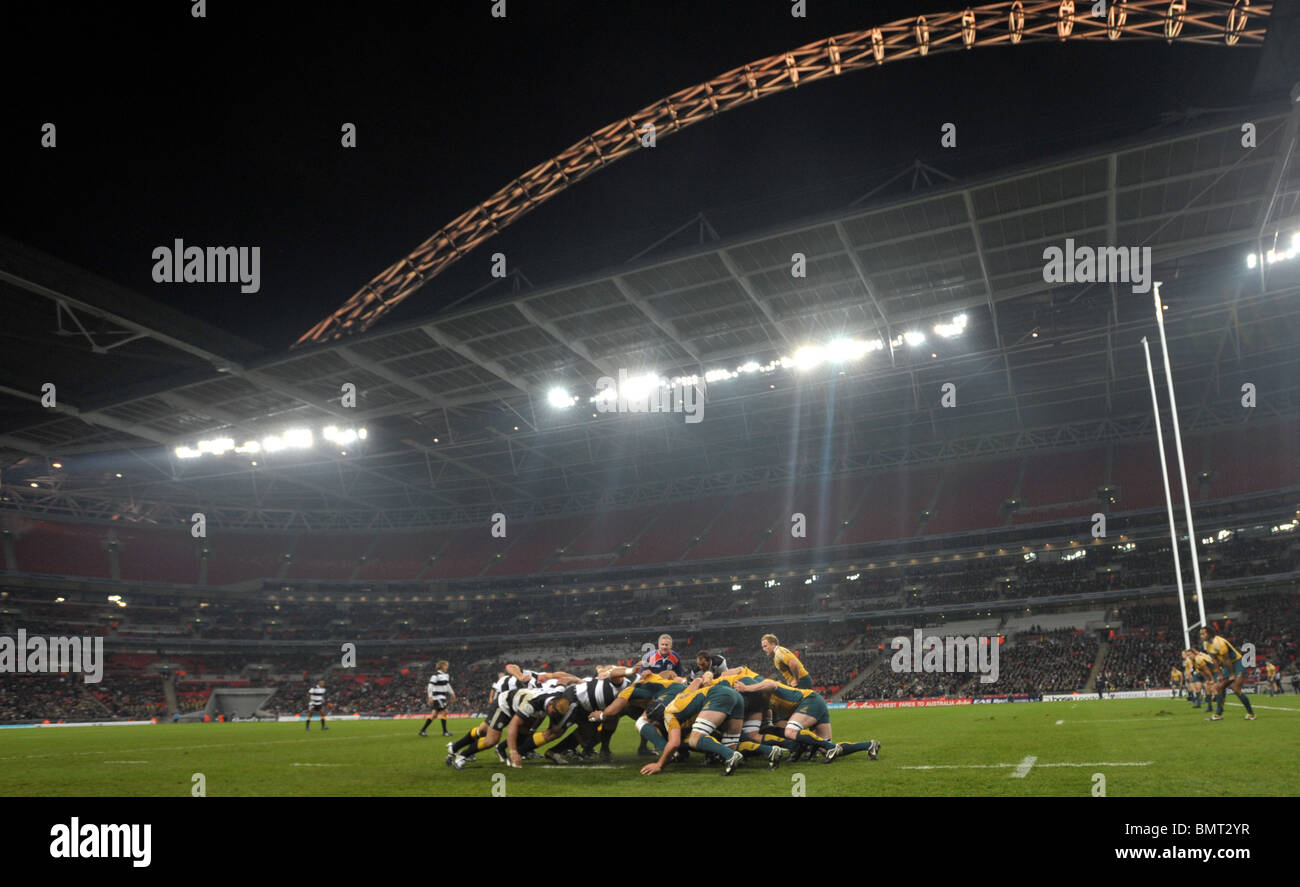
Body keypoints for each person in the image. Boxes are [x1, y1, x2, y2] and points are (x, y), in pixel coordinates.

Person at [632, 634, 682, 755]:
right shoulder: (649, 656)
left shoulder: (676, 657)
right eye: (662, 645)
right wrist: (646, 672)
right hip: (652, 689)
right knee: (653, 716)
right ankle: (650, 745)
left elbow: (679, 674)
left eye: (667, 645)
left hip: (667, 690)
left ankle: (661, 744)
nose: (664, 647)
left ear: (671, 646)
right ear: (658, 645)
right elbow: (642, 675)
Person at [1200, 627, 1255, 721]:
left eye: (1204, 633)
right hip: (1227, 665)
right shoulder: (1206, 644)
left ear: (1209, 633)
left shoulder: (1219, 643)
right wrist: (1220, 674)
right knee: (1219, 687)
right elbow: (1214, 660)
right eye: (1201, 634)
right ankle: (1218, 714)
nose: (1202, 636)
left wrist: (1232, 674)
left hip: (1238, 663)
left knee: (1236, 688)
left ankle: (1251, 714)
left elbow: (1227, 659)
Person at [419, 659, 455, 737]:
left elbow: (447, 685)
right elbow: (430, 686)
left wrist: (452, 693)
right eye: (446, 665)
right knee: (445, 712)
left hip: (442, 696)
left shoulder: (446, 675)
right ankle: (445, 732)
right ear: (441, 666)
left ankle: (422, 730)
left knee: (434, 715)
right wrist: (430, 696)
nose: (447, 667)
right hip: (437, 697)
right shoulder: (435, 676)